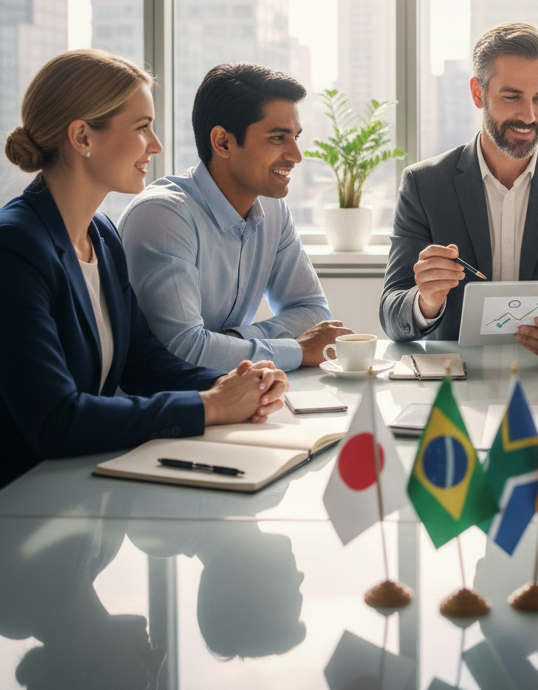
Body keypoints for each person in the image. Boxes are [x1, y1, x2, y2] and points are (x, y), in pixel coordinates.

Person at [0, 49, 289, 490]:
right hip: (25, 500)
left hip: (81, 487)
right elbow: (56, 418)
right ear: (82, 137)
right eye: (141, 128)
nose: (155, 145)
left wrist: (235, 383)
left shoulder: (101, 235)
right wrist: (209, 407)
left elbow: (141, 359)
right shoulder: (15, 247)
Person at [379, 22, 538, 362]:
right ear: (478, 93)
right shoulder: (425, 185)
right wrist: (426, 301)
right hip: (458, 386)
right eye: (512, 97)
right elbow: (392, 312)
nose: (529, 115)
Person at [119, 63, 349, 371]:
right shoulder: (163, 216)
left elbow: (313, 311)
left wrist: (228, 340)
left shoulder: (273, 209)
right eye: (278, 138)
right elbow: (183, 352)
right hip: (167, 408)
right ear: (223, 142)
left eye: (296, 136)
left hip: (230, 394)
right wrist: (296, 350)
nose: (296, 155)